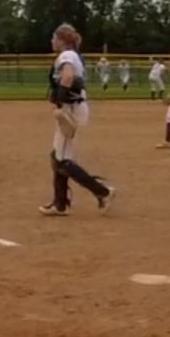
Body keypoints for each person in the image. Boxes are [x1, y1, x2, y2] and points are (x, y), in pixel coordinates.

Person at [41, 24, 113, 216]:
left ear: (62, 40)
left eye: (54, 38)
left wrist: (59, 99)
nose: (52, 41)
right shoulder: (73, 55)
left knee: (62, 160)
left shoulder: (67, 55)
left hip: (70, 109)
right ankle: (60, 204)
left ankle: (103, 192)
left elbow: (68, 77)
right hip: (72, 107)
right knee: (57, 156)